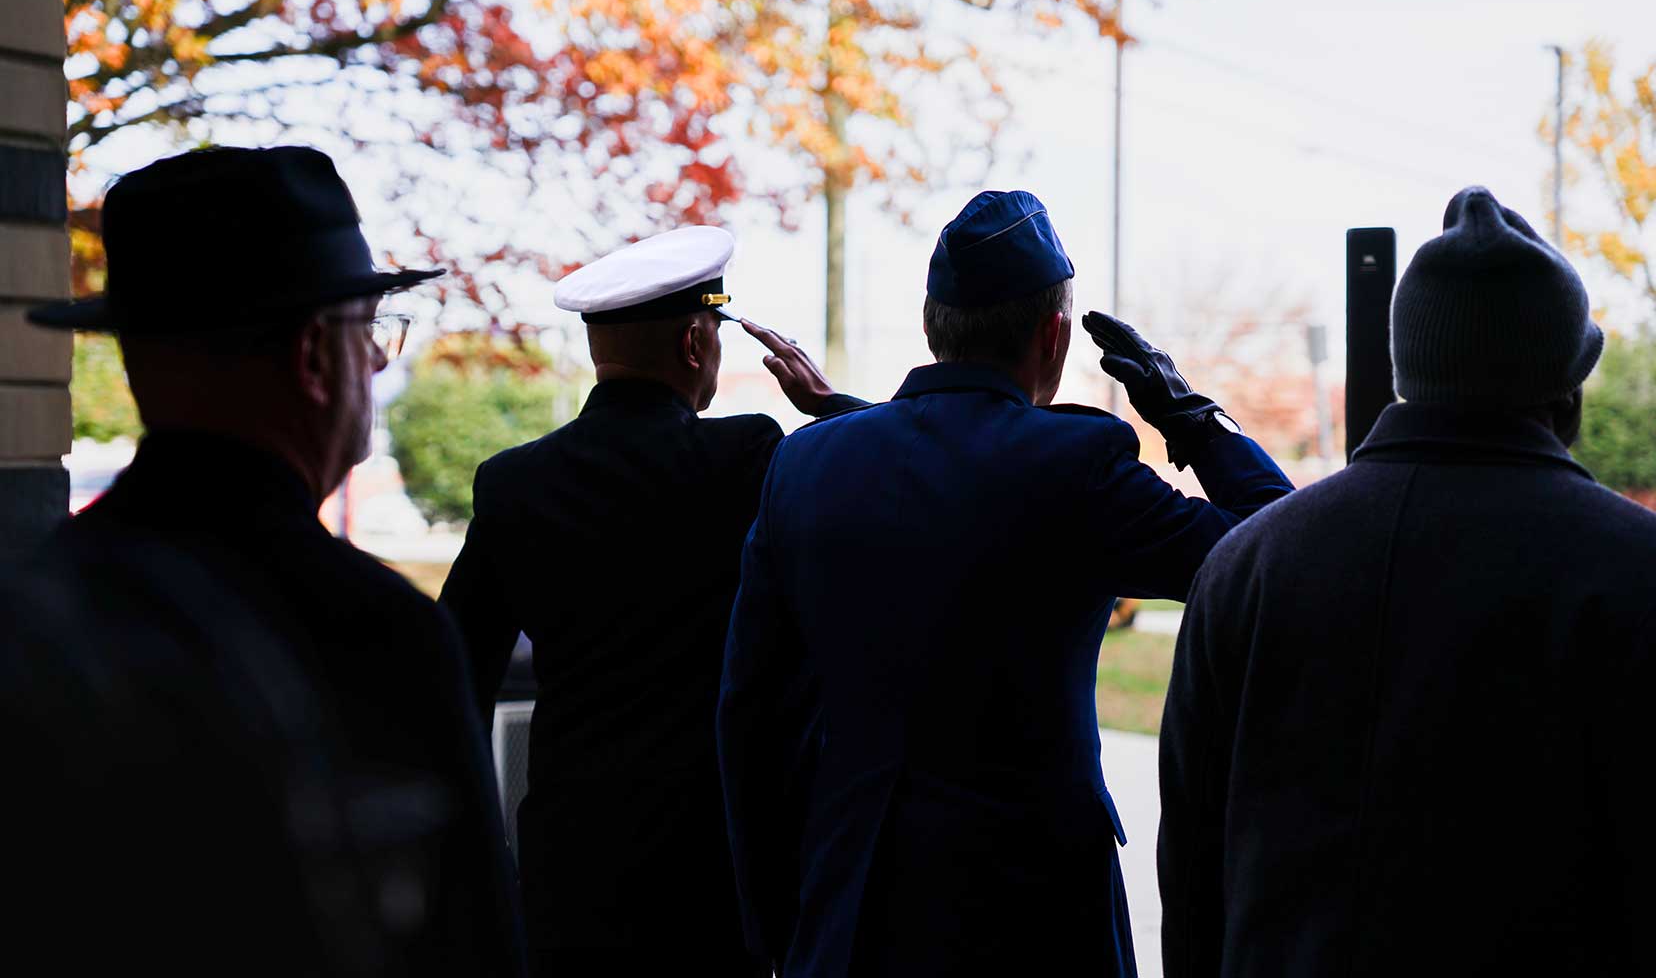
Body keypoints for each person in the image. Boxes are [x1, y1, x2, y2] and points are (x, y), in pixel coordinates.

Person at [717, 189, 1295, 978]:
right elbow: (1278, 550)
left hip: (850, 913)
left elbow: (751, 715)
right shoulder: (1078, 467)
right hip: (1037, 918)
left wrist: (780, 926)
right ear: (1056, 333)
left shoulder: (806, 464)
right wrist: (1188, 415)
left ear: (930, 326)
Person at [9, 146, 526, 977]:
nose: (379, 361)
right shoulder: (377, 637)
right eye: (370, 335)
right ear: (317, 356)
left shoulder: (34, 607)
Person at [1157, 186, 1656, 977]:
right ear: (1564, 387)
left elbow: (1190, 878)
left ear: (1405, 370)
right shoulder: (1630, 570)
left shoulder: (1248, 567)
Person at [439, 225, 863, 977]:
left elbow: (452, 682)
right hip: (715, 873)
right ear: (696, 345)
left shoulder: (513, 484)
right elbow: (883, 482)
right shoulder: (745, 457)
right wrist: (832, 407)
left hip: (568, 873)